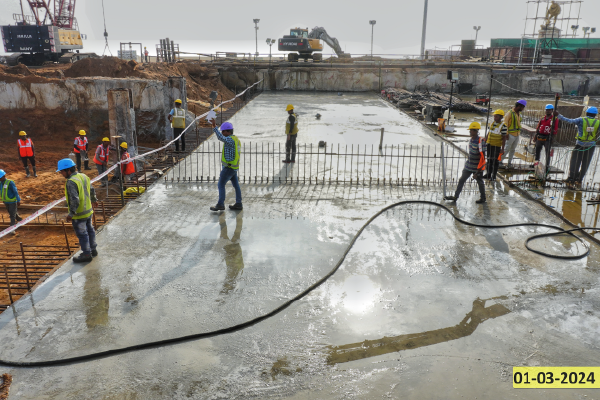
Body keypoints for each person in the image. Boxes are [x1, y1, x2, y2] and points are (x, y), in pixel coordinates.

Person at [57, 158, 98, 263]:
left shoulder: (71, 182)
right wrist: (94, 200)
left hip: (79, 214)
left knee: (82, 234)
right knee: (90, 230)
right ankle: (93, 250)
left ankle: (86, 254)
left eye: (61, 171)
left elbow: (75, 200)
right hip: (89, 211)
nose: (61, 173)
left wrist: (71, 214)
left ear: (68, 170)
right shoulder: (83, 176)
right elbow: (92, 189)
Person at [556, 106, 599, 185]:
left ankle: (571, 178)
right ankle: (579, 179)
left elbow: (569, 121)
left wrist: (559, 116)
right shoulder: (598, 122)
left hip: (580, 144)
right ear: (595, 115)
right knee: (586, 163)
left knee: (575, 161)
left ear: (587, 113)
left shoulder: (581, 119)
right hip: (591, 146)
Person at [445, 122, 487, 204]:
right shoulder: (471, 140)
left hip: (477, 167)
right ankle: (455, 197)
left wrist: (478, 172)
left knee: (480, 182)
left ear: (475, 131)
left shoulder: (481, 141)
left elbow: (483, 158)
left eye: (471, 131)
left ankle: (483, 198)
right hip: (469, 165)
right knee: (461, 180)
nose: (470, 132)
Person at [209, 118, 243, 211]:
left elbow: (220, 137)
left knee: (221, 184)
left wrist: (214, 126)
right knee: (236, 185)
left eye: (223, 131)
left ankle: (220, 204)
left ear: (228, 132)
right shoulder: (236, 139)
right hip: (233, 167)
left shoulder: (230, 140)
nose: (222, 133)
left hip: (228, 168)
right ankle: (239, 203)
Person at [501, 99, 527, 169]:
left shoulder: (519, 114)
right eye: (523, 107)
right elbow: (505, 123)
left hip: (517, 134)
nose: (523, 109)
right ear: (519, 106)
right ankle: (500, 161)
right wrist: (506, 133)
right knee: (506, 149)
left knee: (513, 149)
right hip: (510, 134)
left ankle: (509, 163)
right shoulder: (509, 113)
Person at [484, 110, 507, 181]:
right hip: (489, 145)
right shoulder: (492, 123)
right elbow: (489, 132)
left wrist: (502, 149)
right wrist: (485, 140)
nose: (495, 117)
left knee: (495, 161)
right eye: (494, 116)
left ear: (501, 117)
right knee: (489, 160)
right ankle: (488, 174)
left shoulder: (503, 126)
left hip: (496, 146)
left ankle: (493, 176)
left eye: (496, 116)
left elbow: (504, 138)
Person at [0, 169, 22, 234]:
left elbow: (15, 191)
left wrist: (18, 200)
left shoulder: (10, 182)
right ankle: (19, 219)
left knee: (12, 215)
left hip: (12, 201)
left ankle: (12, 228)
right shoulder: (0, 183)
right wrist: (3, 199)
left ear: (3, 176)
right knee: (11, 212)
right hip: (6, 201)